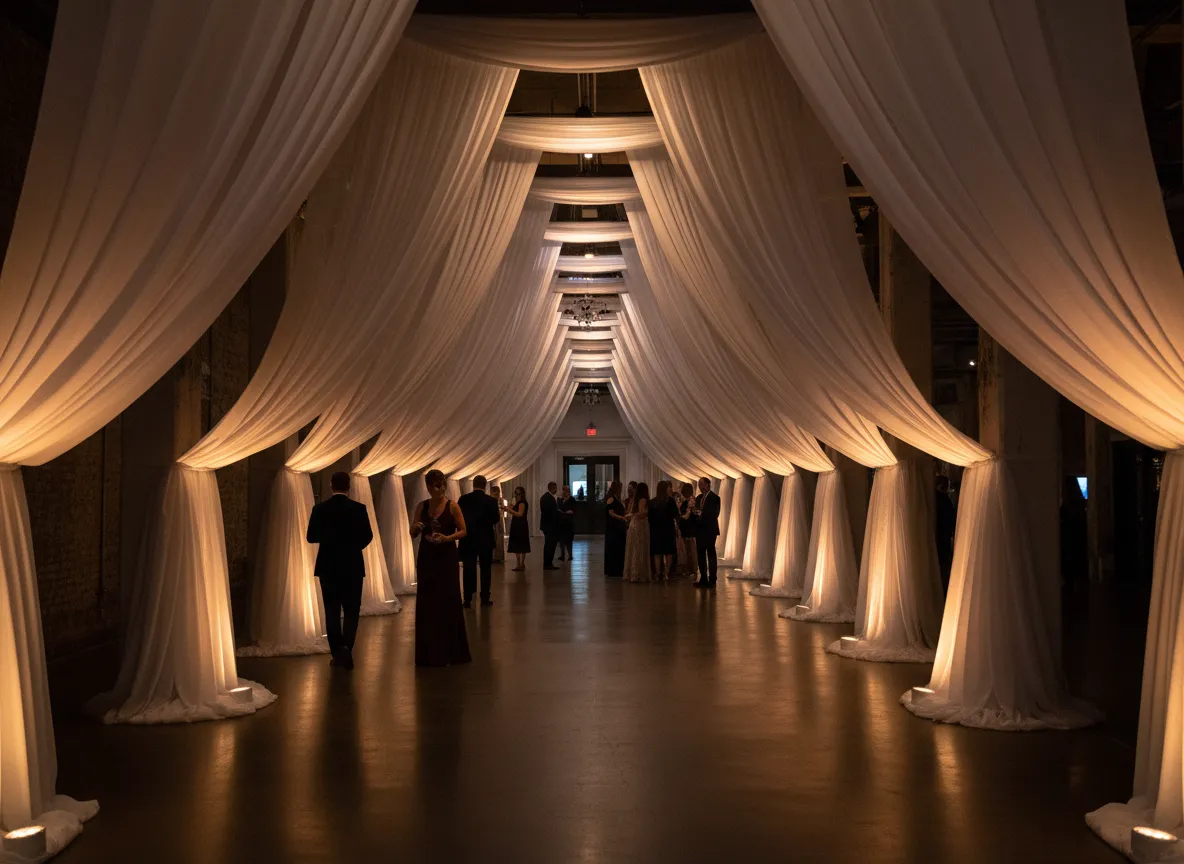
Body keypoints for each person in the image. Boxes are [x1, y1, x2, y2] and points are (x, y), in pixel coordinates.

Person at [306, 471, 374, 669]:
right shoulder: (359, 509)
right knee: (352, 611)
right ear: (349, 486)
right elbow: (368, 536)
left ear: (331, 485)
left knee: (332, 611)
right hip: (353, 566)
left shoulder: (320, 509)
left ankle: (339, 653)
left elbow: (311, 536)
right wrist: (353, 546)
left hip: (328, 566)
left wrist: (329, 540)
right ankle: (346, 651)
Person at [410, 469, 471, 667]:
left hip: (446, 557)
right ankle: (429, 652)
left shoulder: (452, 506)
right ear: (428, 487)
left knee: (448, 599)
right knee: (428, 602)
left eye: (443, 485)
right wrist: (417, 528)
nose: (441, 489)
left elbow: (463, 531)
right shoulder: (422, 506)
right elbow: (412, 532)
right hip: (427, 557)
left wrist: (447, 538)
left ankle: (451, 651)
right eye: (437, 486)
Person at [458, 475, 499, 608]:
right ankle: (485, 598)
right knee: (486, 569)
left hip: (468, 539)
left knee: (468, 568)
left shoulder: (463, 499)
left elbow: (459, 518)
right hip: (485, 539)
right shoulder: (491, 501)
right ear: (485, 485)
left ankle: (468, 598)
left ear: (473, 484)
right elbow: (496, 519)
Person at [694, 476, 721, 587]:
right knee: (700, 553)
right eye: (699, 484)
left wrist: (701, 514)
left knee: (710, 553)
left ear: (707, 484)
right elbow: (696, 510)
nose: (700, 486)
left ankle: (712, 579)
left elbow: (715, 513)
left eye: (701, 484)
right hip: (699, 529)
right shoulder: (698, 497)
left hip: (710, 529)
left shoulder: (715, 497)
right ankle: (703, 578)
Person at [649, 480, 678, 579]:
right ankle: (666, 572)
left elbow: (650, 518)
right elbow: (675, 515)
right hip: (668, 529)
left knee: (657, 552)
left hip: (656, 530)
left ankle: (658, 573)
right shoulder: (671, 501)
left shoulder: (653, 502)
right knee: (668, 552)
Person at [624, 481, 651, 582]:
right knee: (639, 549)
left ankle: (632, 572)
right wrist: (649, 512)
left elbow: (632, 512)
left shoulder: (635, 500)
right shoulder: (643, 500)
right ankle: (639, 573)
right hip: (640, 525)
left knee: (633, 549)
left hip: (633, 525)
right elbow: (641, 514)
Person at [935, 474, 956, 592]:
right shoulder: (944, 499)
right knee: (943, 561)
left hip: (940, 535)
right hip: (943, 536)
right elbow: (951, 518)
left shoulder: (933, 498)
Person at [604, 480, 628, 578]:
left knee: (618, 548)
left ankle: (618, 568)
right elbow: (611, 512)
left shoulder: (616, 498)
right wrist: (622, 518)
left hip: (618, 527)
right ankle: (614, 570)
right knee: (614, 547)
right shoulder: (611, 498)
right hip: (614, 527)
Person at [677, 481, 700, 579]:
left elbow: (685, 516)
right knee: (690, 550)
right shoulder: (691, 501)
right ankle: (691, 569)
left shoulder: (688, 502)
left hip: (687, 527)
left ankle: (691, 569)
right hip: (690, 527)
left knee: (689, 550)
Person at [505, 486, 530, 571]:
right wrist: (509, 508)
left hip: (520, 524)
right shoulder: (518, 502)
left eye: (518, 493)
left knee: (520, 543)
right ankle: (520, 563)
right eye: (515, 493)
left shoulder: (522, 502)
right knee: (520, 543)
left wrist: (508, 509)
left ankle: (520, 564)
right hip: (518, 524)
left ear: (522, 494)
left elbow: (519, 514)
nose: (516, 495)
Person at [540, 481, 560, 570]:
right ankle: (548, 564)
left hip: (547, 525)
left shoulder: (545, 497)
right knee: (550, 545)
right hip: (550, 526)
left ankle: (548, 563)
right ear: (552, 488)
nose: (556, 490)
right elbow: (550, 513)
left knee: (549, 544)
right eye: (555, 488)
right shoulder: (548, 498)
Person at [557, 484, 576, 562]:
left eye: (567, 490)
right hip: (561, 522)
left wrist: (570, 512)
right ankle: (562, 555)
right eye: (564, 490)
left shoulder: (572, 500)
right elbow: (558, 509)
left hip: (568, 522)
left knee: (568, 540)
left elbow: (574, 510)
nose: (565, 492)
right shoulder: (560, 500)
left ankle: (570, 555)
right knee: (561, 540)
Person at [490, 484, 506, 563]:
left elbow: (502, 510)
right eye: (495, 494)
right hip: (492, 520)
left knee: (499, 537)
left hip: (499, 520)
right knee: (493, 538)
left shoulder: (500, 500)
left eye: (498, 493)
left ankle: (499, 556)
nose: (497, 495)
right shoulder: (489, 499)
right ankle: (493, 556)